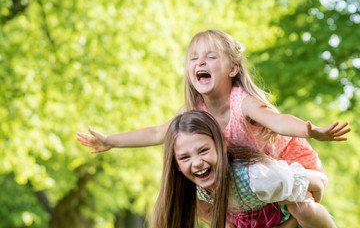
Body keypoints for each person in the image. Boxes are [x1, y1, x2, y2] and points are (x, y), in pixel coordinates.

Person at [77, 29, 349, 226]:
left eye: (210, 57)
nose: (200, 63)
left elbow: (278, 121)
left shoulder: (243, 102)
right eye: (193, 59)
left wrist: (311, 131)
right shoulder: (193, 112)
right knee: (206, 205)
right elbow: (158, 133)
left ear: (233, 69)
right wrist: (112, 140)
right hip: (242, 181)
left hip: (278, 165)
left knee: (301, 208)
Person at [151, 110, 336, 228]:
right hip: (249, 221)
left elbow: (319, 181)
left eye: (203, 150)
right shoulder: (188, 186)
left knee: (305, 210)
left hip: (286, 216)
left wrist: (305, 207)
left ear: (221, 147)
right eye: (185, 157)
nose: (197, 163)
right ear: (176, 163)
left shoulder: (257, 175)